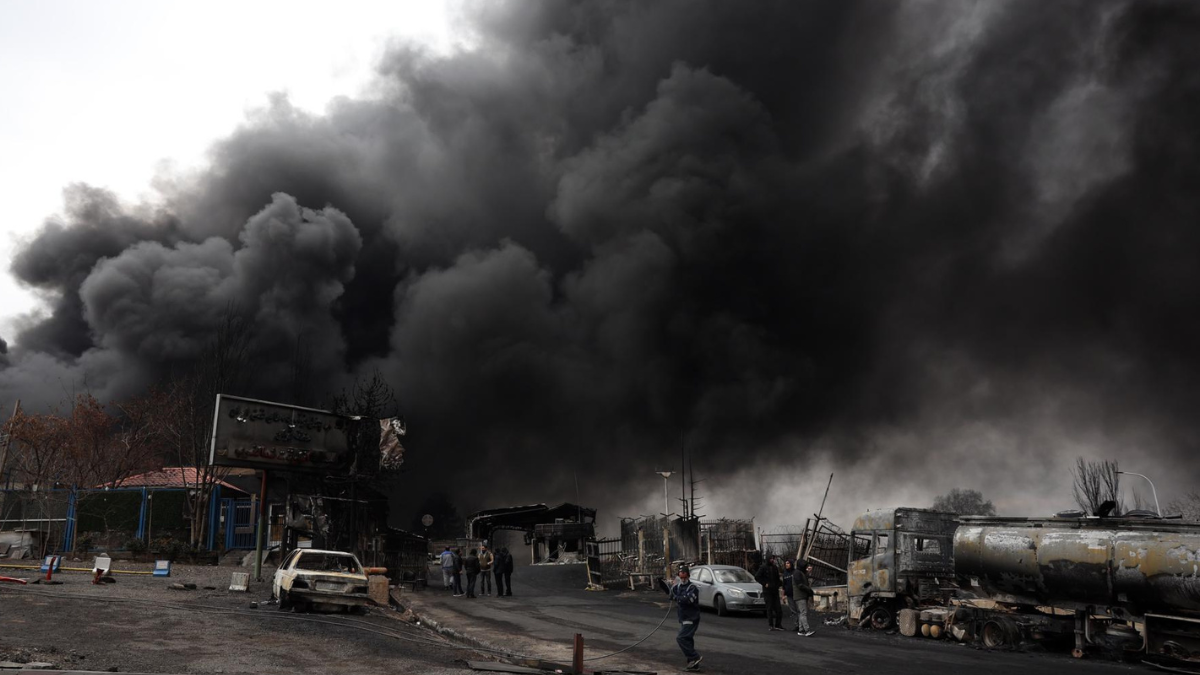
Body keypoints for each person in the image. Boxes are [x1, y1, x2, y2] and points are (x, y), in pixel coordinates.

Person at [669, 566, 703, 671]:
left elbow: (688, 600)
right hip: (683, 617)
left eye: (684, 574)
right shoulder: (677, 587)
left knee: (681, 638)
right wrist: (669, 590)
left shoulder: (693, 588)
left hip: (691, 618)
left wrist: (677, 598)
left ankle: (695, 657)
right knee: (688, 639)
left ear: (688, 575)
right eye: (680, 574)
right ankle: (693, 665)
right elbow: (671, 594)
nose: (682, 577)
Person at [756, 554, 784, 631]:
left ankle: (778, 624)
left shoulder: (775, 567)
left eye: (773, 559)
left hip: (775, 590)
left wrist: (779, 584)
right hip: (767, 591)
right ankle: (771, 625)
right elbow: (757, 577)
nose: (772, 560)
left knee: (778, 609)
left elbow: (777, 578)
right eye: (771, 558)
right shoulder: (763, 567)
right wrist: (765, 584)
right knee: (769, 608)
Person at [793, 561, 816, 636]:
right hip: (800, 596)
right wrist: (809, 590)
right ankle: (807, 630)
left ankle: (801, 630)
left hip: (801, 595)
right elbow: (800, 585)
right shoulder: (797, 573)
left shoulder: (799, 572)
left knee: (801, 613)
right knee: (803, 613)